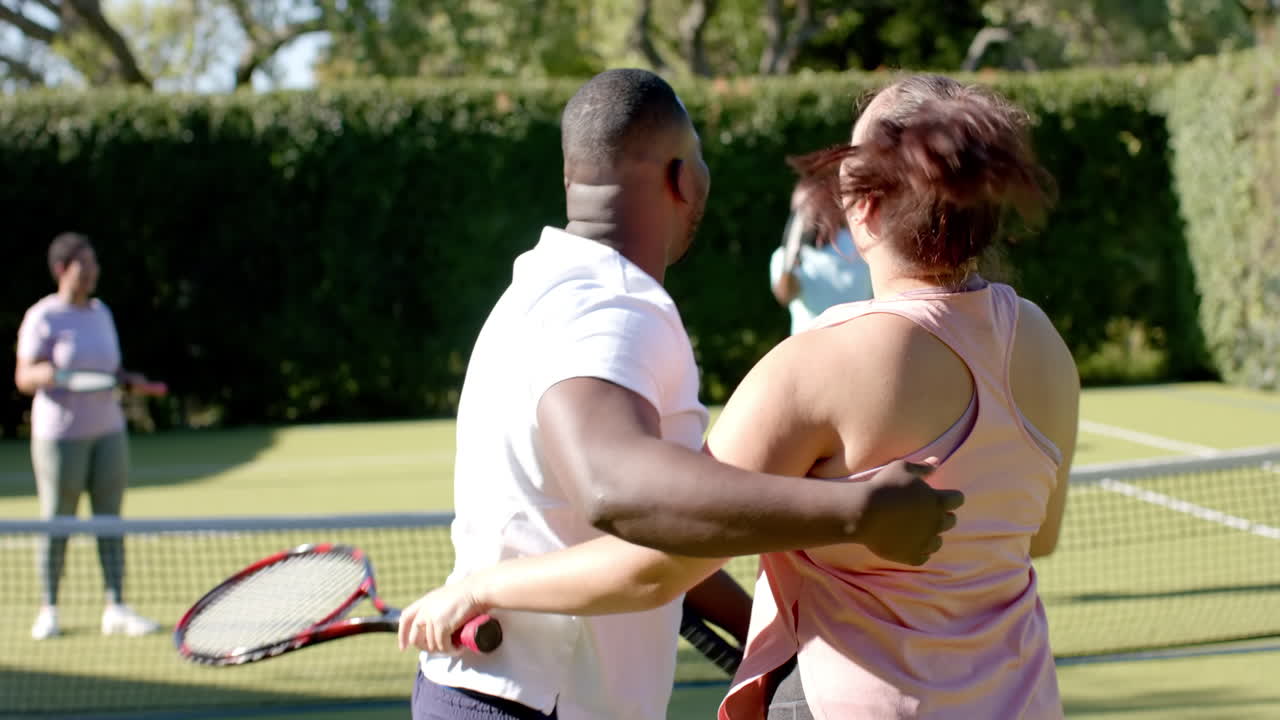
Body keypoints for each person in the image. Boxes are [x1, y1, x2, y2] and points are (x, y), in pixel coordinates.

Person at [401, 73, 1079, 720]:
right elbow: (1038, 536)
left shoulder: (815, 366)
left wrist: (479, 587)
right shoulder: (1042, 343)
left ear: (860, 204)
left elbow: (659, 561)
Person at [15, 232, 162, 640]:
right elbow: (24, 376)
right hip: (60, 436)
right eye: (86, 263)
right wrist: (49, 374)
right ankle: (49, 609)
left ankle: (116, 607)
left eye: (95, 263)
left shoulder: (101, 313)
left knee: (109, 520)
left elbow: (109, 371)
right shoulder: (43, 316)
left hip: (108, 431)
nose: (94, 271)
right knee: (57, 520)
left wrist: (129, 380)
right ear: (63, 269)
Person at [770, 183, 873, 334]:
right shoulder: (784, 256)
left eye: (811, 208)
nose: (806, 217)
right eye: (799, 210)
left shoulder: (859, 244)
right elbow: (785, 296)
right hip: (808, 344)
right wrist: (789, 263)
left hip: (857, 342)